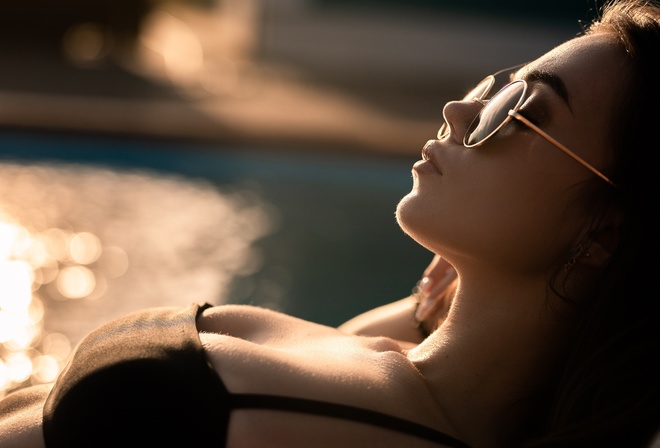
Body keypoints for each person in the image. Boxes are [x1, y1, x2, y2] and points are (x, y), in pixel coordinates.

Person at [1, 0, 659, 446]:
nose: (460, 110)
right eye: (495, 84)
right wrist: (457, 288)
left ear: (604, 234)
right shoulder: (416, 354)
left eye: (518, 110)